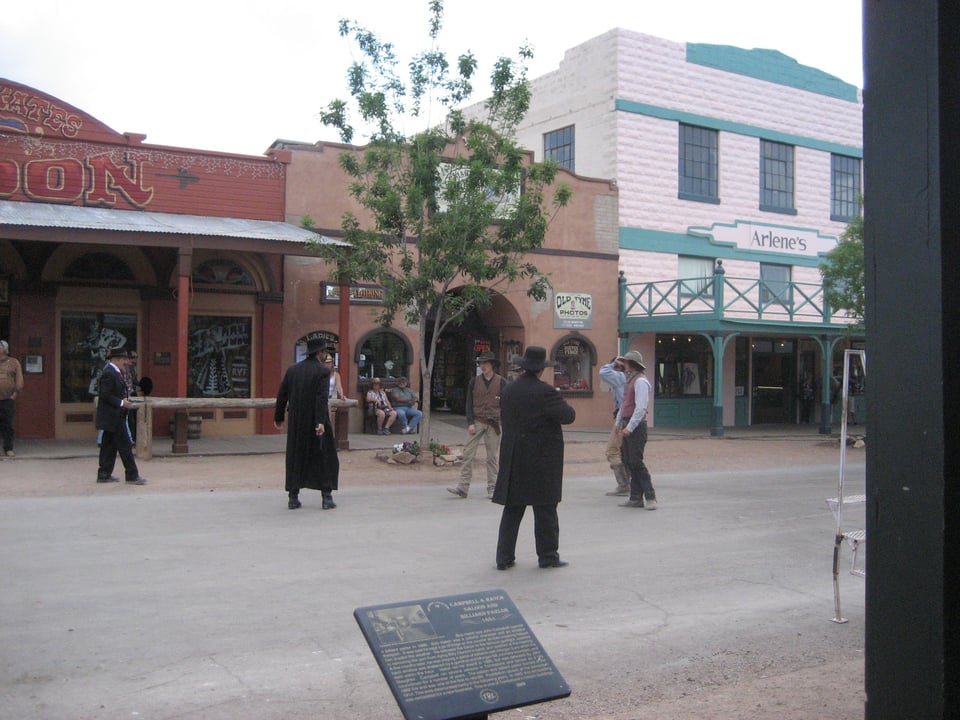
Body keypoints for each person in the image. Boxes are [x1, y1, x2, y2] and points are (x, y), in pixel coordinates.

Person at [492, 346, 576, 570]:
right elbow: (568, 416)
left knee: (512, 510)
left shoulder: (509, 390)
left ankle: (504, 557)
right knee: (545, 510)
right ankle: (548, 556)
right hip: (541, 459)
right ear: (541, 369)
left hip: (514, 457)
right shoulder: (546, 392)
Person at [274, 338, 339, 510]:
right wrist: (320, 422)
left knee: (296, 455)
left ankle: (293, 497)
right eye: (324, 351)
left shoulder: (293, 370)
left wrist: (279, 417)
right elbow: (320, 398)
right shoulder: (322, 372)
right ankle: (326, 497)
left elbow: (282, 394)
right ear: (320, 353)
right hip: (316, 420)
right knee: (323, 456)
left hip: (296, 421)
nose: (325, 354)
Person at [447, 350, 506, 499]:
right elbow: (469, 403)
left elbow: (506, 404)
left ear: (492, 365)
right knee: (468, 453)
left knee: (492, 457)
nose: (482, 366)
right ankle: (463, 486)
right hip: (478, 421)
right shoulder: (474, 381)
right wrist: (470, 422)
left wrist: (505, 422)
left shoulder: (502, 382)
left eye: (485, 363)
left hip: (494, 424)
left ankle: (492, 488)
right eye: (481, 363)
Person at [95, 348, 146, 485]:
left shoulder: (115, 373)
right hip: (113, 416)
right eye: (124, 359)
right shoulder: (109, 373)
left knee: (108, 446)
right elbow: (105, 394)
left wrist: (124, 400)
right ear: (116, 359)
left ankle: (104, 474)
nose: (126, 362)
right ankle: (132, 475)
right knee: (125, 446)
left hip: (115, 416)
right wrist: (121, 402)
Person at [616, 350, 657, 509]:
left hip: (636, 426)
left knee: (636, 462)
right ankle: (635, 497)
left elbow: (640, 408)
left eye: (625, 363)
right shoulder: (631, 381)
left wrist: (630, 427)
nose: (623, 366)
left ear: (631, 365)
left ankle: (650, 496)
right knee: (629, 461)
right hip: (628, 423)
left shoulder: (640, 382)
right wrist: (619, 423)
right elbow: (624, 404)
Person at [598, 357, 629, 496]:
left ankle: (624, 484)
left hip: (622, 419)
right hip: (628, 418)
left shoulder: (619, 377)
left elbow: (603, 372)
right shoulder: (630, 378)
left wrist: (613, 363)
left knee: (612, 451)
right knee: (624, 451)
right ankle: (628, 482)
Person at [0, 340, 24, 457]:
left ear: (5, 349)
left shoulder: (14, 362)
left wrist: (14, 394)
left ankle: (8, 448)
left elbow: (19, 379)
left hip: (8, 399)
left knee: (8, 425)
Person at [122, 349, 140, 441]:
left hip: (131, 393)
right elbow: (127, 382)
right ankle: (130, 438)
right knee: (128, 418)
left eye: (136, 357)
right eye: (133, 357)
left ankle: (131, 437)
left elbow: (132, 381)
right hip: (127, 395)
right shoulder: (125, 368)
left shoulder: (131, 368)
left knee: (132, 417)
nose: (134, 360)